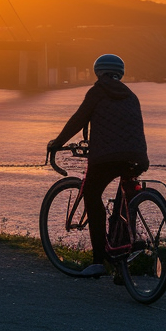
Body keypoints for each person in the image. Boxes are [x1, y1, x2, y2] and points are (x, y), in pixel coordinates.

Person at [47, 53, 149, 278]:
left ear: (98, 72)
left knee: (92, 196)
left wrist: (57, 143)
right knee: (126, 198)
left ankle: (98, 261)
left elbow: (78, 119)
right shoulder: (131, 96)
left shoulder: (97, 92)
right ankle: (124, 255)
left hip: (105, 157)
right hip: (137, 157)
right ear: (120, 74)